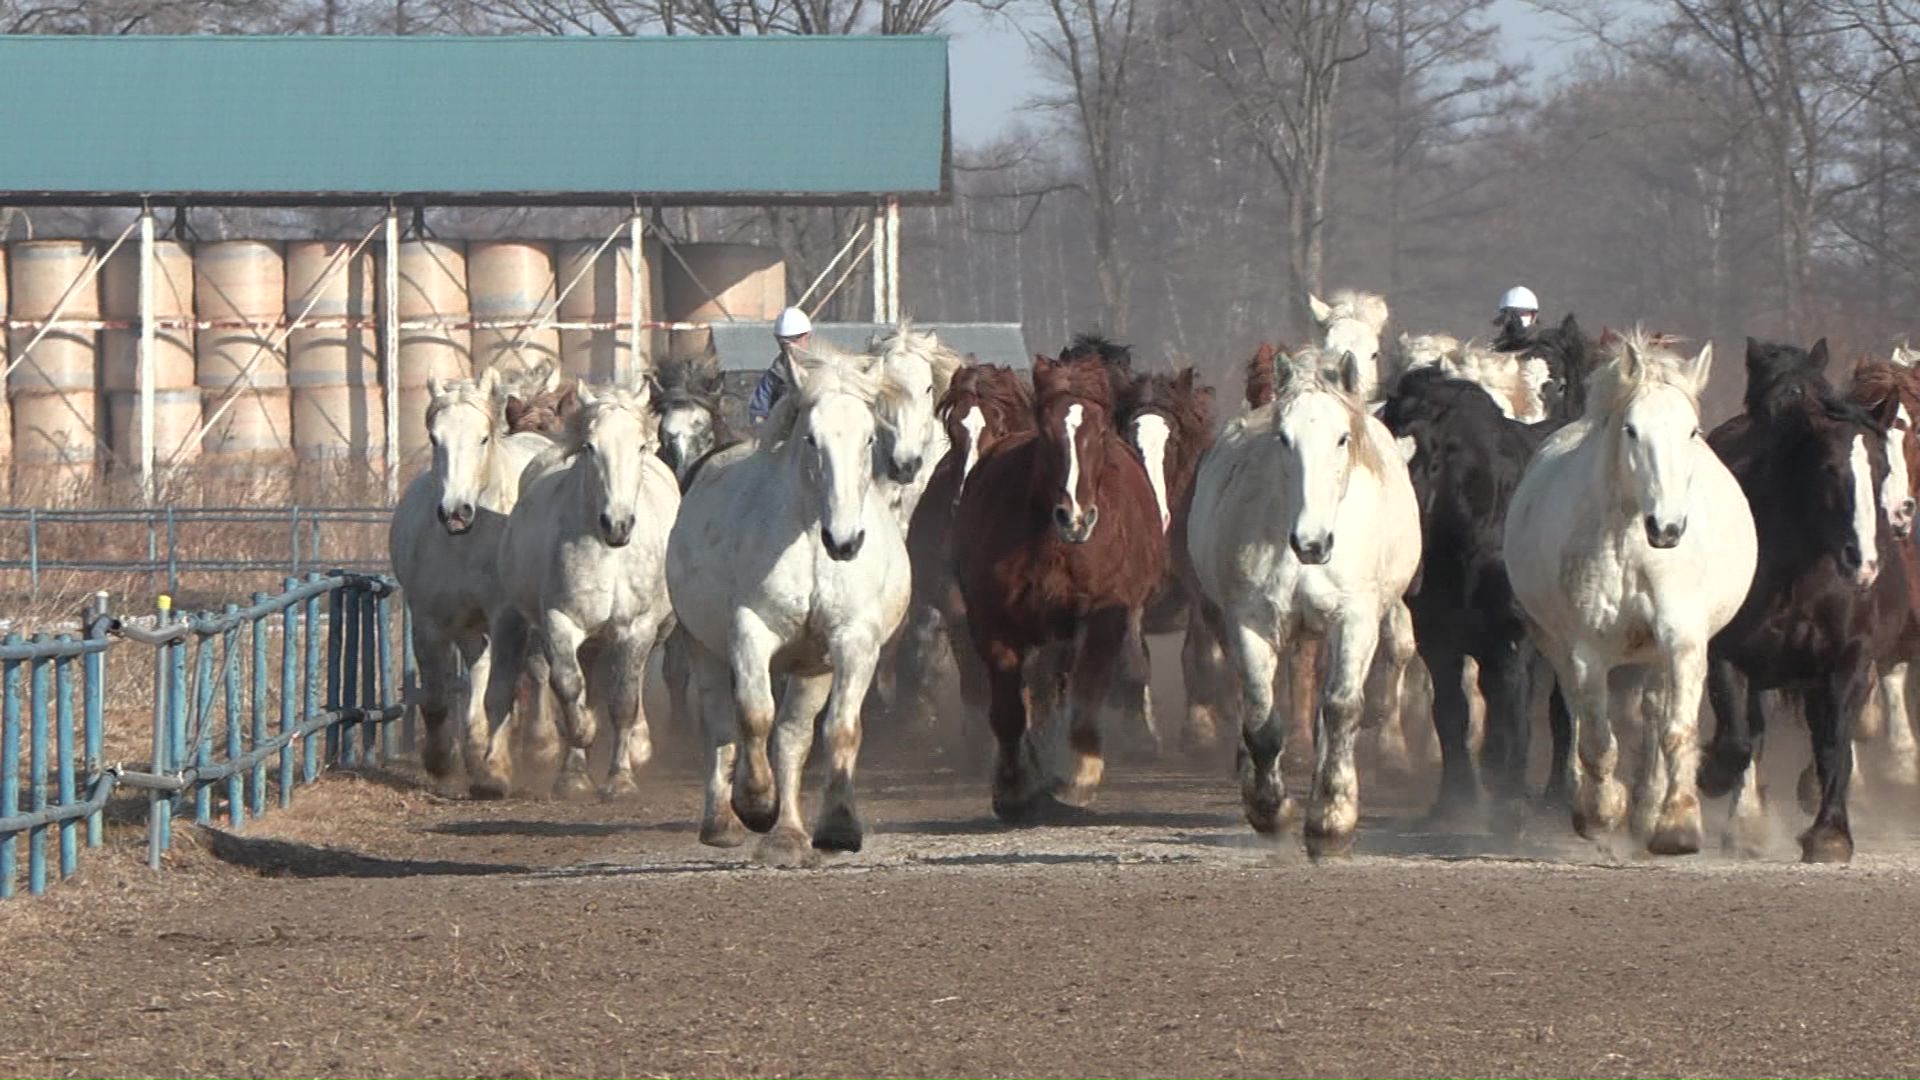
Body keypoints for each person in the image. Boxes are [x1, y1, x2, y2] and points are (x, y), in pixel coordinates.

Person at [748, 306, 813, 425]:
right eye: (783, 342)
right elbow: (758, 411)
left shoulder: (822, 372)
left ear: (807, 336)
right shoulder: (774, 376)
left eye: (794, 340)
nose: (788, 347)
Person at [1492, 285, 1539, 352]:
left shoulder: (1543, 348)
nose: (1516, 318)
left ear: (1533, 316)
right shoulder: (1494, 347)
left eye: (1522, 313)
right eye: (1510, 313)